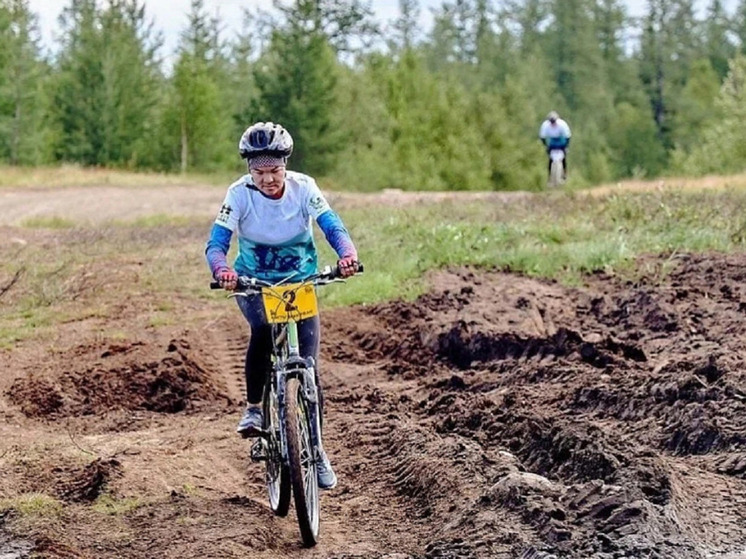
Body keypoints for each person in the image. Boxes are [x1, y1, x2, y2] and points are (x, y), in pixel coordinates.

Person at [205, 121, 359, 490]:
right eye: (260, 172)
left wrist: (348, 254)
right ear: (249, 171)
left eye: (274, 171)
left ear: (285, 166)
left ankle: (317, 450)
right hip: (254, 282)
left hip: (299, 282)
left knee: (309, 367)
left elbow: (331, 225)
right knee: (261, 330)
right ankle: (255, 409)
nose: (268, 180)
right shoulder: (239, 194)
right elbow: (216, 242)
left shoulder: (304, 188)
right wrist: (222, 269)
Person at [538, 110, 572, 182]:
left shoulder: (562, 124)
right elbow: (542, 137)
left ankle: (564, 173)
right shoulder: (545, 125)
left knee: (563, 157)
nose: (553, 123)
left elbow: (568, 136)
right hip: (552, 141)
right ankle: (549, 175)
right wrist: (546, 146)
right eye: (551, 121)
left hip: (561, 140)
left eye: (554, 121)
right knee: (550, 158)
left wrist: (566, 146)